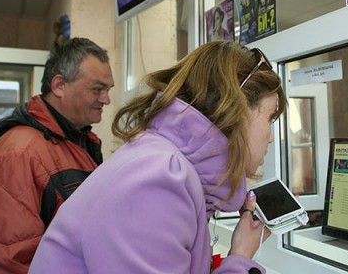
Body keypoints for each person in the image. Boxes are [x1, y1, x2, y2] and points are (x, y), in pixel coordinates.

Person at [29, 41, 288, 274]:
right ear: (237, 110)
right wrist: (240, 259)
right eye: (270, 118)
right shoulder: (159, 179)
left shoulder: (165, 165)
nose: (270, 137)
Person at [0, 37, 115, 274]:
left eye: (108, 90)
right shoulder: (18, 153)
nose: (106, 99)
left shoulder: (81, 142)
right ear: (59, 85)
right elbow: (4, 264)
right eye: (97, 89)